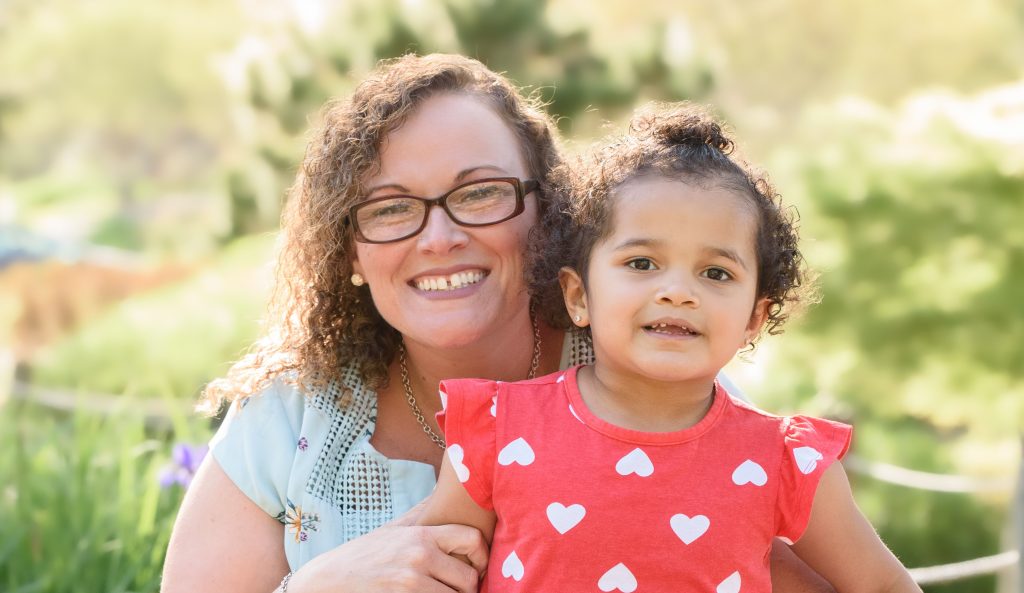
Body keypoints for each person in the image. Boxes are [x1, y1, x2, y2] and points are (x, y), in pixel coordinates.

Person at [161, 55, 837, 593]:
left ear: (549, 212)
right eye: (392, 208)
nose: (440, 236)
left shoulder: (663, 384)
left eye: (480, 192)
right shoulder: (289, 419)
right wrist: (315, 587)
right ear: (352, 252)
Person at [418, 103, 920, 592]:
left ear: (753, 318)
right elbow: (434, 575)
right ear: (578, 295)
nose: (678, 292)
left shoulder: (786, 463)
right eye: (641, 263)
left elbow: (882, 583)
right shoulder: (500, 430)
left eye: (716, 273)